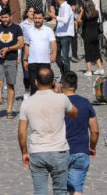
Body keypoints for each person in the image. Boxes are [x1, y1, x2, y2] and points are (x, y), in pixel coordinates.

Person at [18, 67, 78, 195]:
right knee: (60, 191)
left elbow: (22, 132)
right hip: (59, 151)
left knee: (40, 191)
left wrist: (24, 152)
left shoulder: (27, 103)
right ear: (53, 82)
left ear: (35, 82)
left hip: (37, 151)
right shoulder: (62, 99)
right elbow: (74, 113)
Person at [61, 72, 98, 195]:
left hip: (60, 151)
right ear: (76, 85)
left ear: (62, 85)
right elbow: (95, 131)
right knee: (76, 189)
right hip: (81, 150)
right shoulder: (85, 103)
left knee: (61, 188)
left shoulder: (58, 104)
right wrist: (92, 147)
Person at [0, 8, 23, 119]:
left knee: (10, 85)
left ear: (10, 17)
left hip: (11, 59)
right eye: (2, 17)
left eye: (6, 17)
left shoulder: (17, 28)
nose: (4, 19)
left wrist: (8, 48)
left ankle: (9, 110)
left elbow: (21, 43)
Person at [22, 9, 56, 96]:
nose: (37, 20)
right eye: (36, 18)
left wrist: (54, 53)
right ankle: (34, 106)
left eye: (39, 18)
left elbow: (53, 43)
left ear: (43, 18)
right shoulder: (29, 30)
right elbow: (27, 45)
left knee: (46, 85)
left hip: (45, 62)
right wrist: (25, 59)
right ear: (33, 18)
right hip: (32, 61)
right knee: (33, 85)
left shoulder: (48, 30)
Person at [79, 0, 103, 76]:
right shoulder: (96, 12)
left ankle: (89, 71)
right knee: (96, 51)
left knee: (88, 52)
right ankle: (100, 69)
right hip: (95, 34)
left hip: (88, 35)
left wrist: (81, 11)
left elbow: (78, 20)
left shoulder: (85, 15)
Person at [54, 0, 75, 75]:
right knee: (56, 56)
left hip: (66, 35)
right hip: (59, 34)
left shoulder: (66, 7)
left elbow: (65, 20)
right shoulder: (61, 7)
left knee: (65, 57)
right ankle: (64, 72)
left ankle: (67, 75)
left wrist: (54, 16)